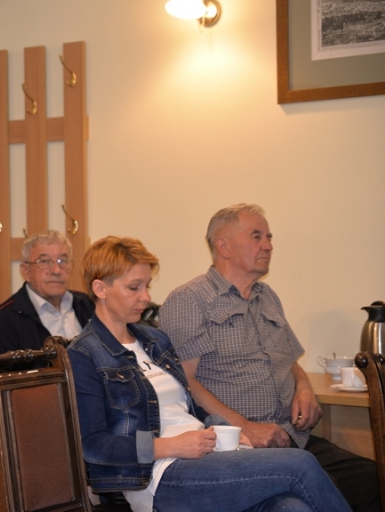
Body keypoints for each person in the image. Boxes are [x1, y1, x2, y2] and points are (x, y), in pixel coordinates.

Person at [67, 236, 352, 512]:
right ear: (100, 289)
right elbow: (94, 446)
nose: (146, 297)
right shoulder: (84, 354)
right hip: (159, 475)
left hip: (205, 456)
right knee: (300, 464)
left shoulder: (155, 340)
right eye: (134, 287)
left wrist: (229, 432)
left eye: (147, 285)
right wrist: (168, 446)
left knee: (291, 507)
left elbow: (189, 408)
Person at [159, 204, 379, 511]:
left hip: (293, 438)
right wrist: (245, 426)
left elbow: (290, 361)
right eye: (257, 236)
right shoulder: (190, 299)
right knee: (297, 504)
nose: (268, 245)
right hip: (241, 448)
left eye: (269, 237)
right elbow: (185, 381)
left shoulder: (267, 296)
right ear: (223, 246)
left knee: (374, 478)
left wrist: (305, 389)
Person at [0, 230, 94, 353]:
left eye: (62, 261)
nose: (56, 271)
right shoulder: (3, 320)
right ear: (26, 271)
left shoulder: (89, 305)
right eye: (44, 261)